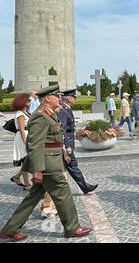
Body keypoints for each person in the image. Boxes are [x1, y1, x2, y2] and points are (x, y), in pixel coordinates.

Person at [0, 85, 91, 242]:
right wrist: (37, 170)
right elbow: (34, 145)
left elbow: (53, 140)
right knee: (63, 194)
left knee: (32, 198)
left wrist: (63, 153)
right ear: (48, 98)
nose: (59, 98)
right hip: (48, 165)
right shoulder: (40, 116)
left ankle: (9, 230)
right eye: (57, 96)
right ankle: (73, 227)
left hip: (52, 160)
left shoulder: (49, 114)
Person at [57, 89, 98, 194]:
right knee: (72, 166)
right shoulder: (62, 110)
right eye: (74, 97)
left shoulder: (66, 108)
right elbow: (62, 130)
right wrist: (66, 146)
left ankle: (85, 187)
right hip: (67, 146)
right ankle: (85, 187)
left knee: (69, 167)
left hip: (68, 144)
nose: (75, 99)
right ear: (69, 99)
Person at [10, 93, 32, 190]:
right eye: (28, 100)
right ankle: (27, 184)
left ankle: (17, 177)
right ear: (23, 102)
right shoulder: (20, 114)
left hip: (27, 135)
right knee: (25, 160)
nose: (31, 102)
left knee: (27, 160)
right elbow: (22, 130)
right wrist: (26, 142)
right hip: (23, 137)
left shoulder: (26, 112)